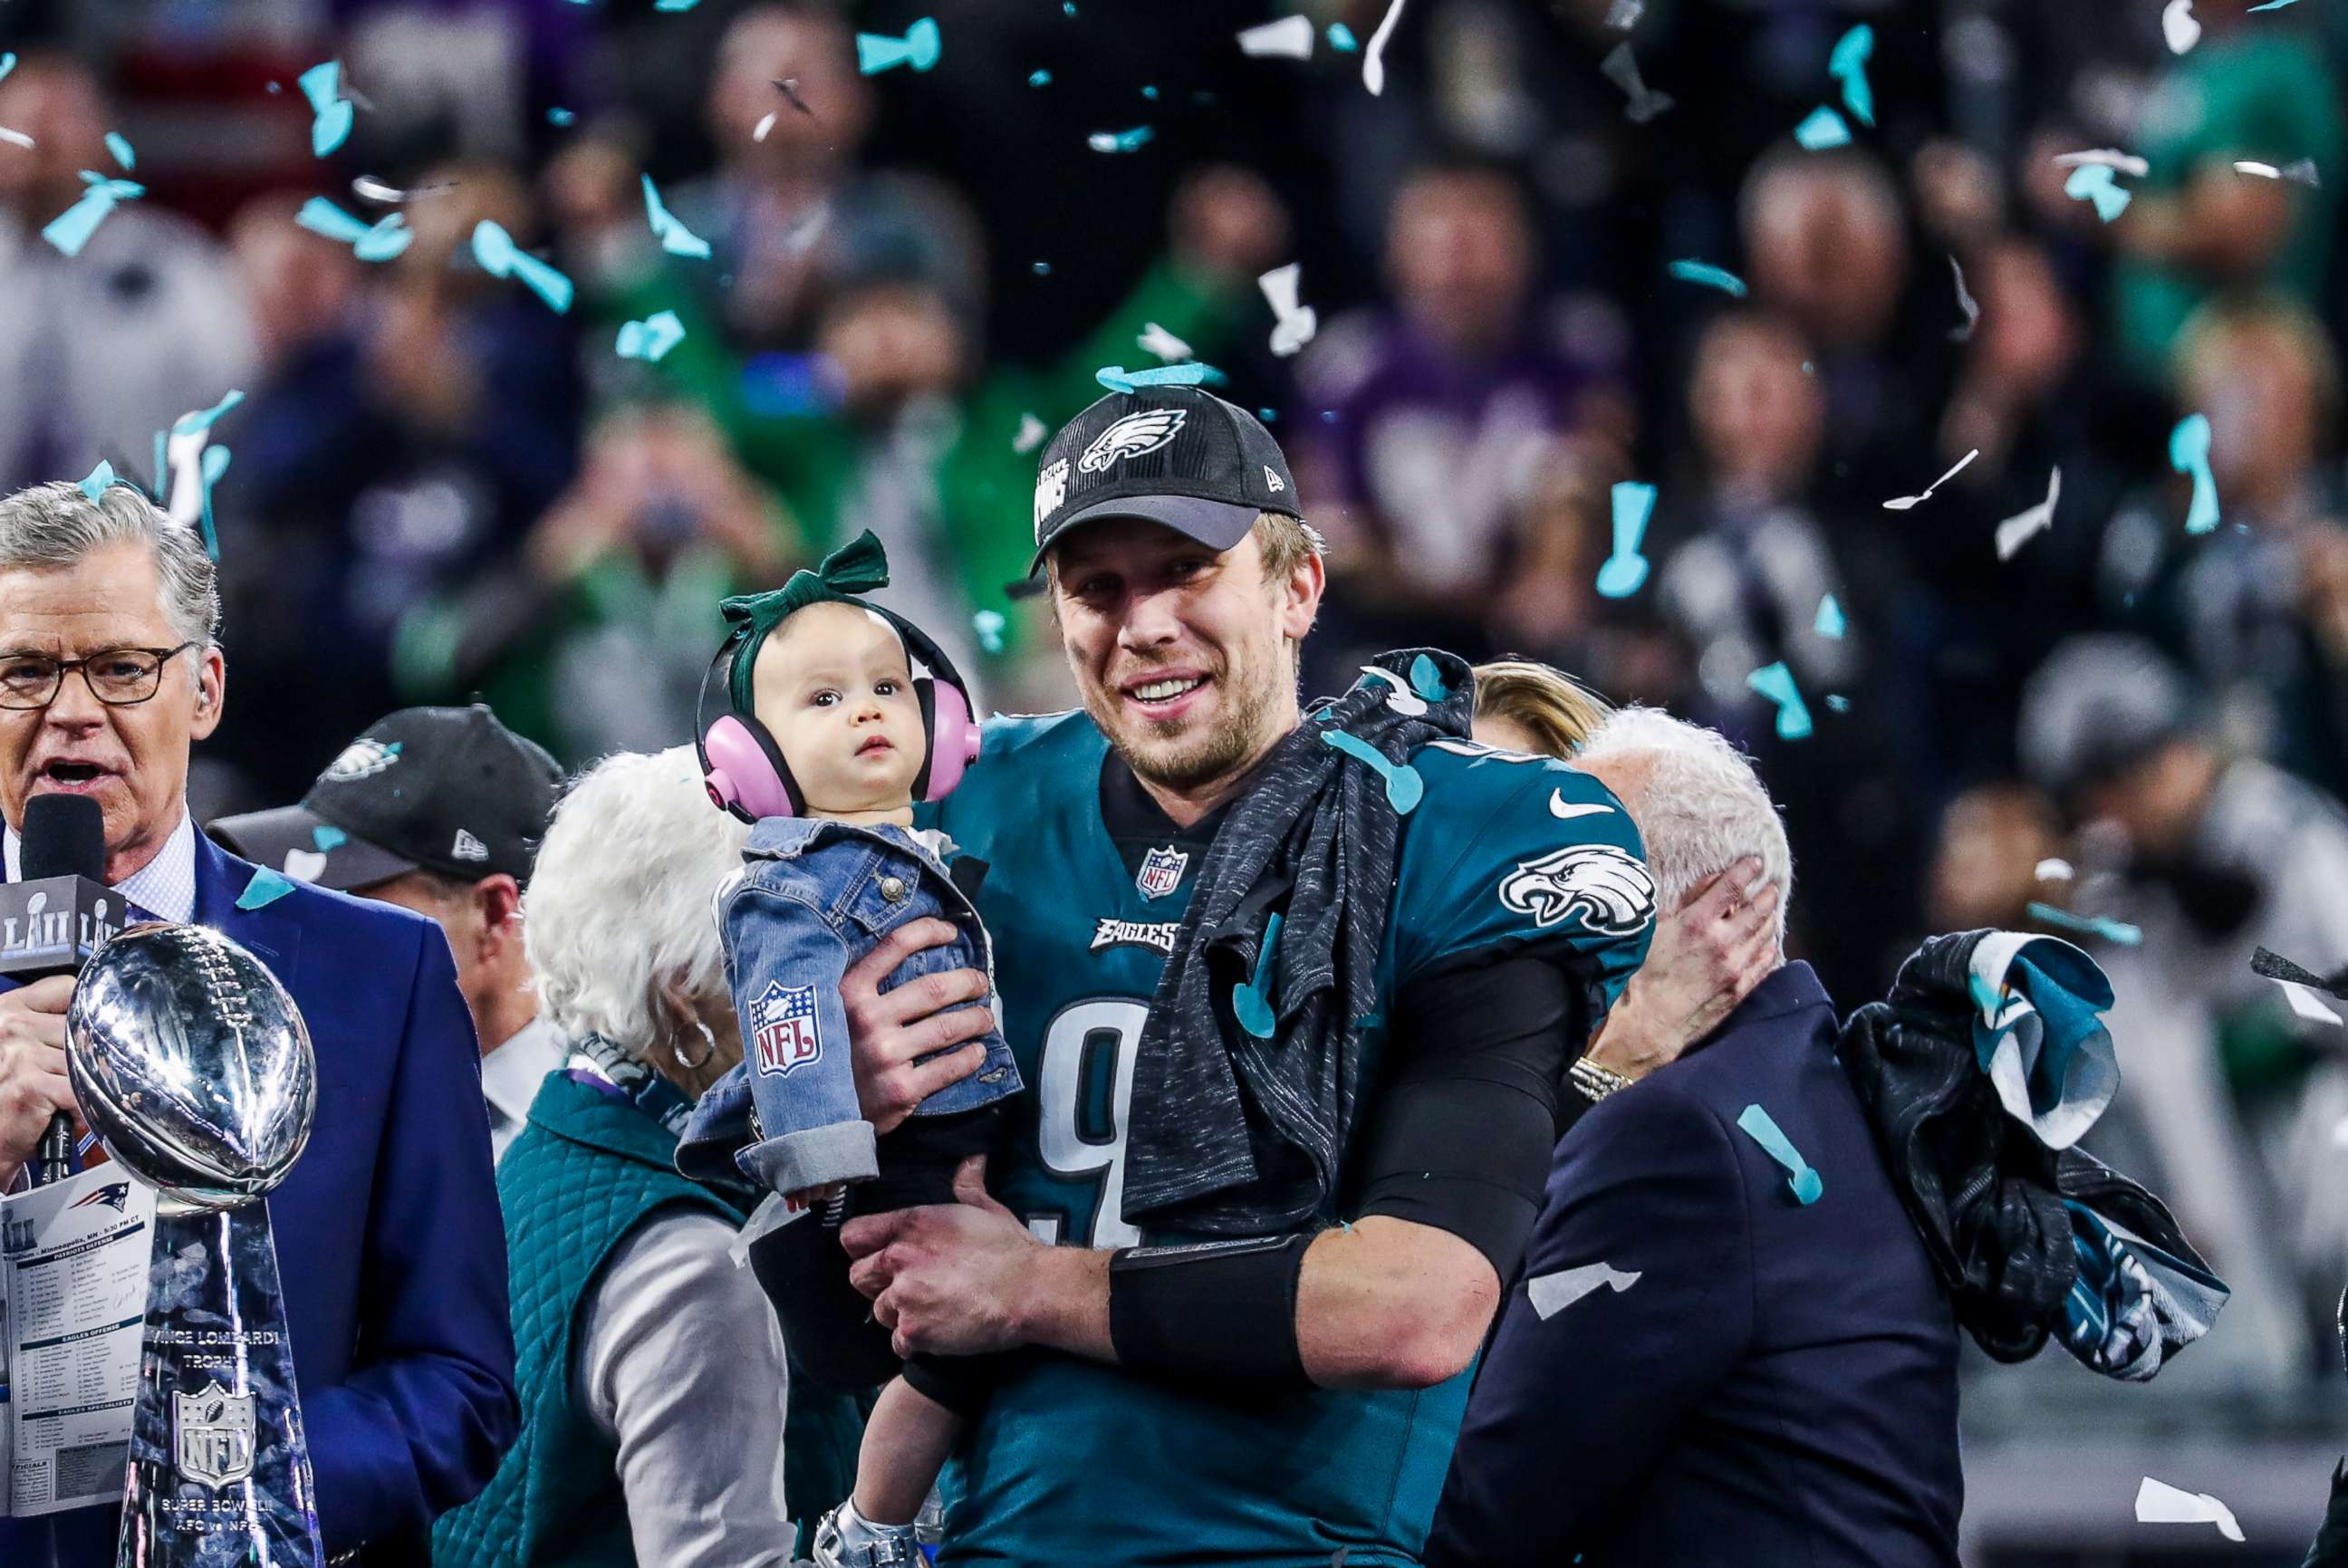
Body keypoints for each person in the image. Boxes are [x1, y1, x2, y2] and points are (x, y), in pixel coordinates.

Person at [817, 386, 1670, 1566]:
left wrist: (1030, 1286)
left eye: (1185, 570)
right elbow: (847, 1278)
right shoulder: (970, 814)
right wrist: (834, 1105)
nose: (1146, 622)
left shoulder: (1451, 833)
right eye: (1098, 588)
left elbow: (1415, 1303)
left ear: (1297, 586)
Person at [0, 480, 514, 1564]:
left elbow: (460, 1381)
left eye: (122, 668)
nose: (71, 711)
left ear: (206, 690)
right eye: (24, 673)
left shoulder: (380, 973)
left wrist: (238, 1485)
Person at [1425, 708, 1964, 1568]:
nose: (1535, 940)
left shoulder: (1675, 1137)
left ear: (1714, 915)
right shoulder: (1832, 1084)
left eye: (1580, 897)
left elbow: (1484, 1515)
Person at [673, 532, 1019, 1567]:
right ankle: (873, 1528)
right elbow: (789, 1023)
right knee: (947, 1353)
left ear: (946, 725)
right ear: (749, 763)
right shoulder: (787, 885)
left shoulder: (920, 853)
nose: (867, 709)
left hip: (961, 1121)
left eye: (884, 686)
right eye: (820, 701)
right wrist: (826, 1156)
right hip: (892, 1152)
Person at [430, 748, 800, 1568]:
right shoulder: (695, 1265)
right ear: (687, 995)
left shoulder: (543, 1144)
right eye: (790, 953)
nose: (817, 989)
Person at [209, 704, 570, 1164]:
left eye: (354, 907)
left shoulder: (633, 1120)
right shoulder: (296, 1110)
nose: (312, 946)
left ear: (493, 915)